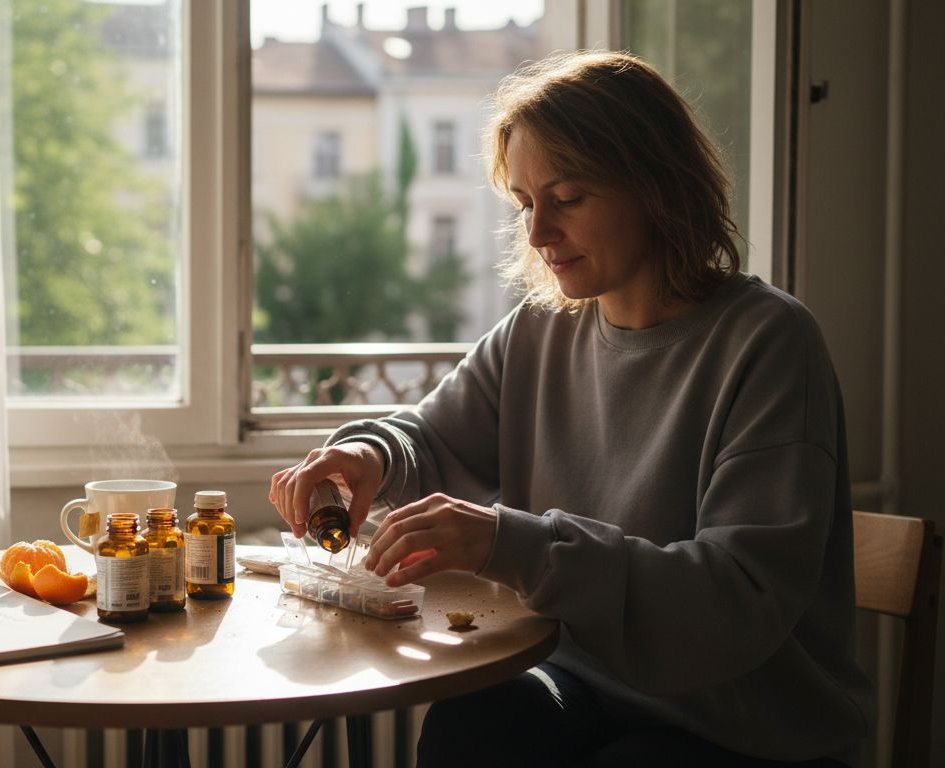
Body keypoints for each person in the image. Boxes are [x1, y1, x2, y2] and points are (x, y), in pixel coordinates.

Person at [268, 51, 872, 767]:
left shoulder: (768, 343)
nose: (537, 234)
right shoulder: (539, 329)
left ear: (657, 187)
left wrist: (513, 544)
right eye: (527, 203)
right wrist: (371, 454)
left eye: (568, 197)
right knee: (476, 722)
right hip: (588, 689)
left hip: (741, 727)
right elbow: (428, 438)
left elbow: (733, 602)